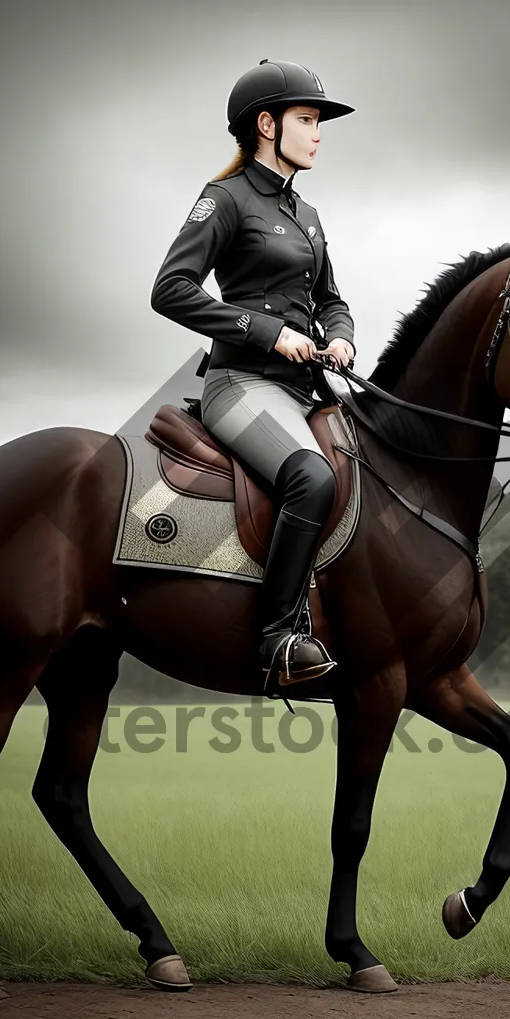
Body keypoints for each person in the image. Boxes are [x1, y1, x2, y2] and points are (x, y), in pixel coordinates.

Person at [150, 59, 357, 694]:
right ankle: (277, 637)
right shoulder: (225, 200)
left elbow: (332, 299)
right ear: (266, 125)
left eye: (319, 120)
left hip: (305, 391)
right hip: (240, 385)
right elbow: (170, 289)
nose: (318, 131)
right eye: (307, 119)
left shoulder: (309, 214)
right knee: (311, 478)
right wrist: (269, 332)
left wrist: (342, 335)